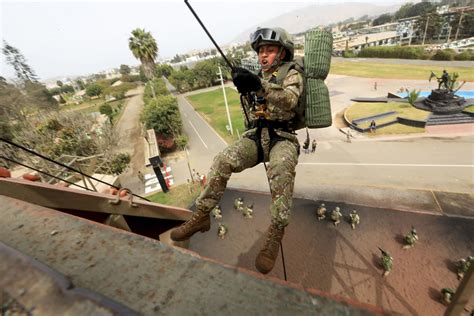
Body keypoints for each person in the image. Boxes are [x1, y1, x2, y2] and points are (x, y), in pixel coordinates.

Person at [170, 27, 302, 274]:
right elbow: (252, 109)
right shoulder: (258, 75)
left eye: (270, 50)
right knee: (223, 159)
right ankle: (201, 215)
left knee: (282, 169)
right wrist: (246, 86)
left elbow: (289, 100)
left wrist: (259, 86)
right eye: (261, 50)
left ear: (282, 53)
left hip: (282, 137)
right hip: (256, 136)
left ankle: (276, 233)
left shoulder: (291, 74)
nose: (264, 55)